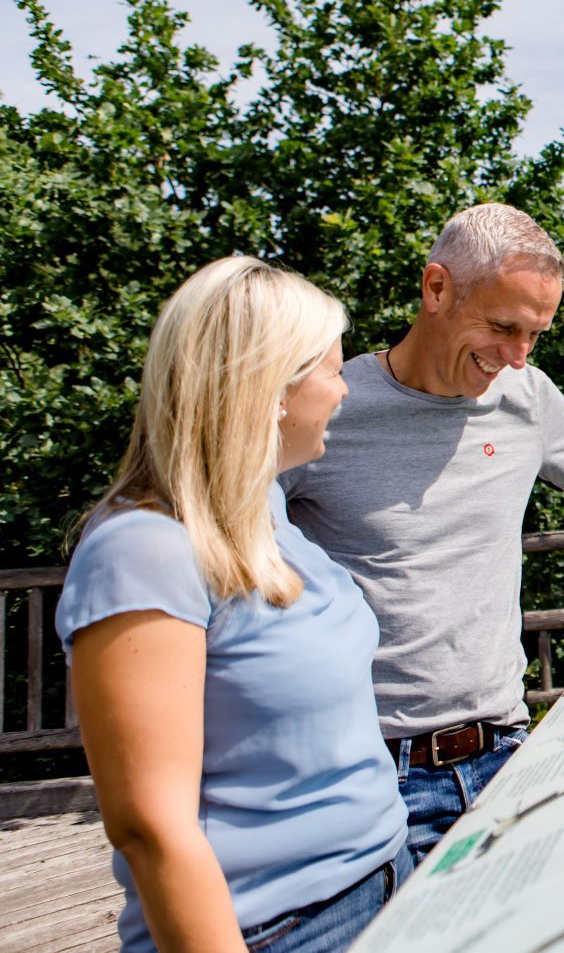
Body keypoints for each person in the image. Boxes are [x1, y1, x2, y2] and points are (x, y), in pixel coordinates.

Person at [281, 203, 564, 861]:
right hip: (371, 769)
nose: (517, 356)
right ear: (436, 288)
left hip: (505, 756)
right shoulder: (329, 408)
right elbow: (224, 544)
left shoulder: (527, 397)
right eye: (504, 327)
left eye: (536, 334)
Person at [57, 257, 409, 953]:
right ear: (270, 388)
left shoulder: (266, 511)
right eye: (333, 371)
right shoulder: (144, 551)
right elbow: (152, 831)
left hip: (384, 886)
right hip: (280, 930)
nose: (345, 393)